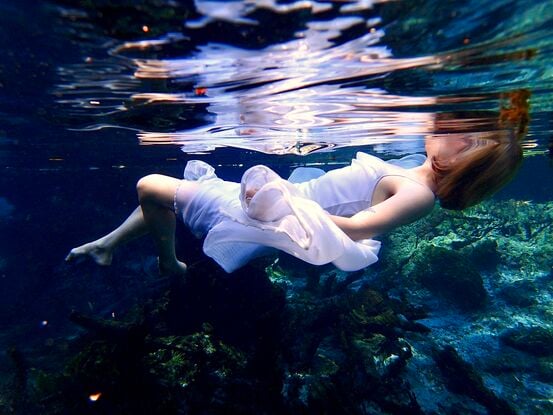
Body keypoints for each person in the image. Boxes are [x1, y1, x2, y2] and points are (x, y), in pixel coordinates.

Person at [66, 91, 528, 275]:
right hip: (278, 203)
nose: (448, 127)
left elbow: (357, 229)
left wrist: (286, 205)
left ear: (469, 166)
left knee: (151, 185)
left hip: (269, 215)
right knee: (166, 194)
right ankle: (108, 244)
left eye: (464, 137)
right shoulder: (410, 167)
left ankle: (169, 261)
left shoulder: (417, 195)